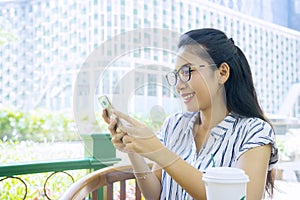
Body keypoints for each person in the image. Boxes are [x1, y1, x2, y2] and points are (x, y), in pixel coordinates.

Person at [102, 28, 278, 200]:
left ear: (222, 72)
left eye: (187, 72)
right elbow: (155, 194)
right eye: (176, 75)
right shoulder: (174, 125)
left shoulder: (254, 131)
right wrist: (132, 150)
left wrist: (160, 153)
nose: (179, 85)